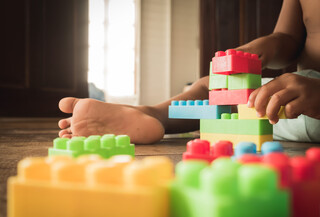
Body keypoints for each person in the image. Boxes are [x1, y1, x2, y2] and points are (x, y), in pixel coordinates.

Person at [58, 0, 320, 144]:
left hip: (311, 103)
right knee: (215, 91)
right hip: (287, 101)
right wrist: (267, 46)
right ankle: (150, 114)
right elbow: (289, 36)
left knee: (234, 103)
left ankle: (149, 114)